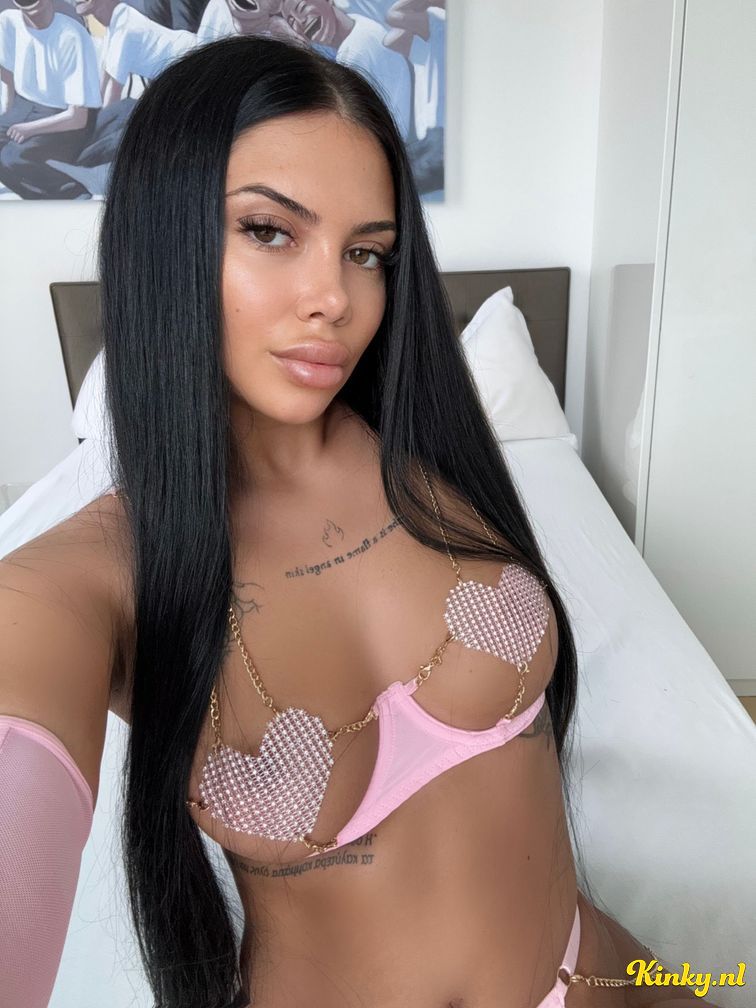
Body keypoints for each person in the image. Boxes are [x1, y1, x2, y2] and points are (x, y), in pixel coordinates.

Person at [0, 36, 721, 1008]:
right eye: (269, 231)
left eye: (368, 252)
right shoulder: (86, 580)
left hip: (603, 973)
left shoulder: (434, 446)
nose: (335, 298)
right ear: (161, 241)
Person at [0, 0, 101, 197]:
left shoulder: (71, 35)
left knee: (12, 158)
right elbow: (8, 78)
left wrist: (28, 129)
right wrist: (7, 115)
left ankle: (72, 193)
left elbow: (78, 118)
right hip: (25, 105)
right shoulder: (7, 22)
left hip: (64, 116)